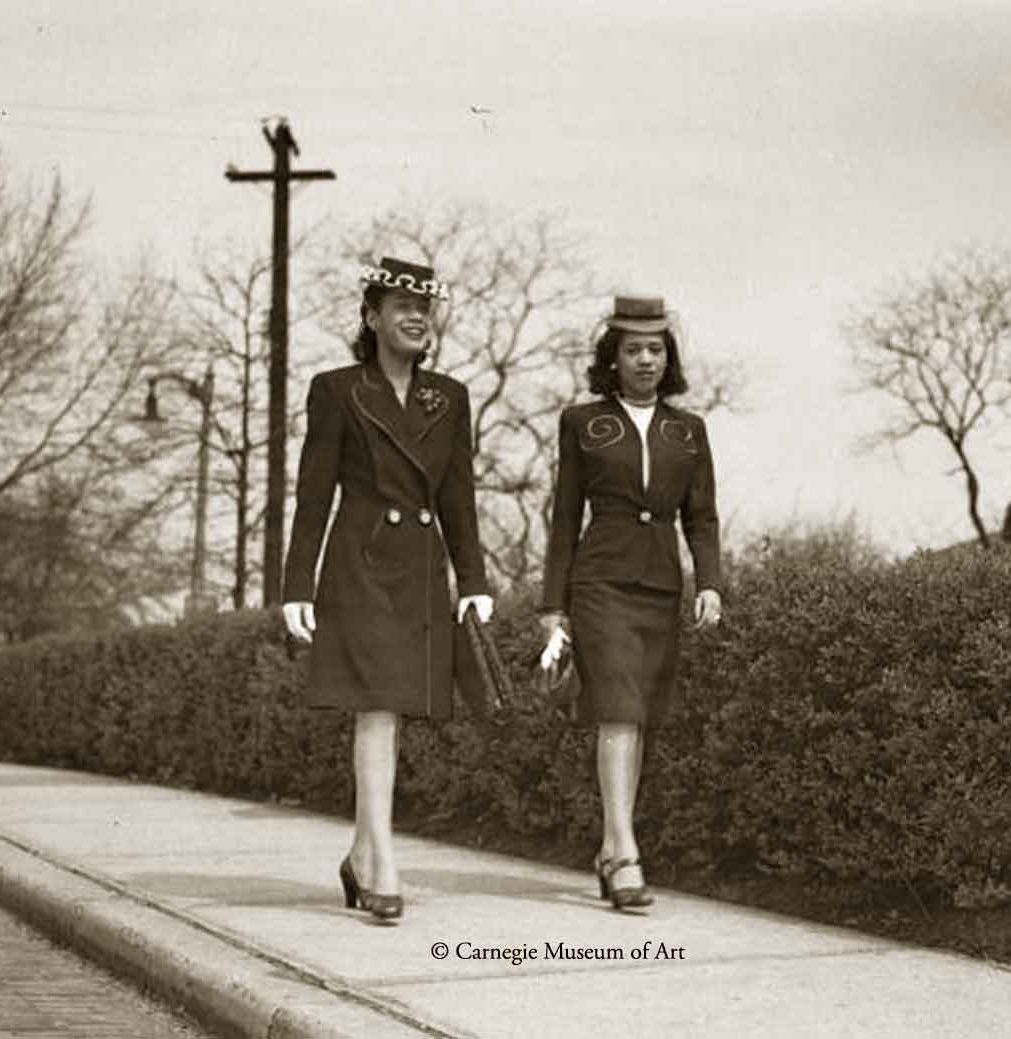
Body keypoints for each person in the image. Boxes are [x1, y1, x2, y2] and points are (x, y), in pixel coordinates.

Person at [282, 256, 492, 924]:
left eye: (424, 308)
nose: (415, 318)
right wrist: (297, 584)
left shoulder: (449, 398)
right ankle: (380, 861)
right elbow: (313, 493)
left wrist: (474, 579)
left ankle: (359, 850)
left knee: (394, 711)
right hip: (361, 564)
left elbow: (460, 495)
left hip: (423, 569)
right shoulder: (336, 389)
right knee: (376, 708)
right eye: (400, 305)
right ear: (371, 316)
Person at [539, 294, 722, 911]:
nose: (645, 359)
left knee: (638, 716)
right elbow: (564, 517)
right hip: (600, 583)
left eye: (655, 349)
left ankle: (613, 845)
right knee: (617, 708)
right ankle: (622, 852)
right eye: (633, 349)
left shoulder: (687, 430)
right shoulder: (584, 422)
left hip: (662, 586)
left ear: (668, 357)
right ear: (611, 358)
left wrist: (712, 583)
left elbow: (703, 517)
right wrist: (552, 605)